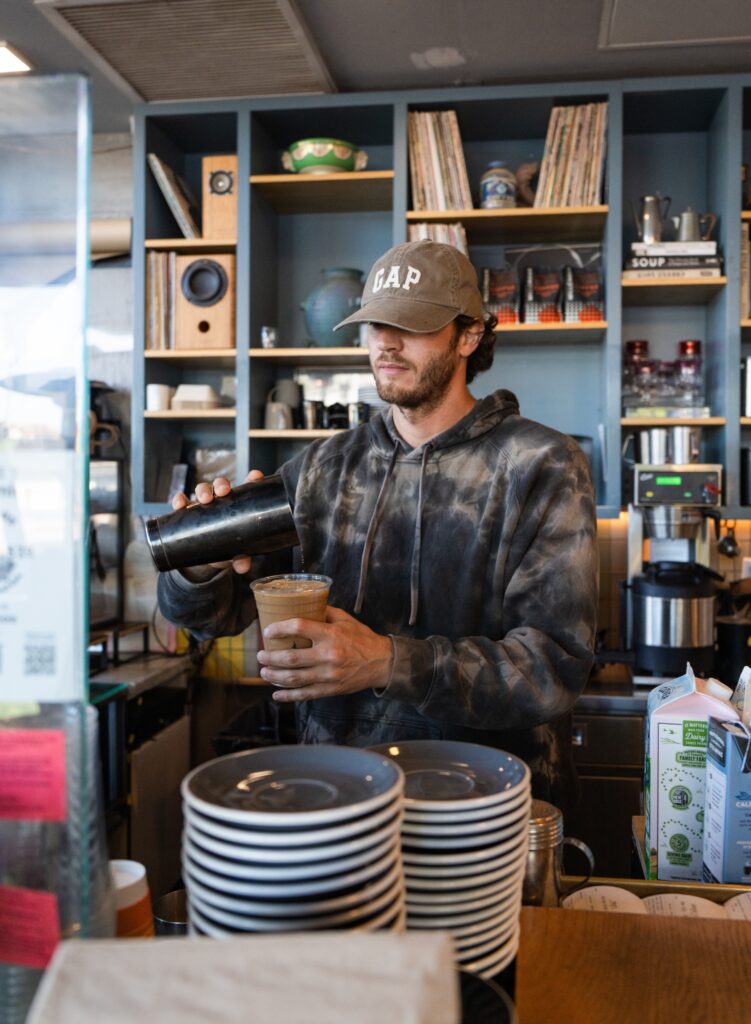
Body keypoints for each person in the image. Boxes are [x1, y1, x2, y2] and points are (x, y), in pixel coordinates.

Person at [157, 239, 598, 806]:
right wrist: (202, 566)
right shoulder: (320, 469)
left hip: (487, 803)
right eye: (374, 324)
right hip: (341, 798)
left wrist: (387, 662)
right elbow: (209, 618)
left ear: (469, 336)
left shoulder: (544, 465)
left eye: (411, 325)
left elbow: (551, 670)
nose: (385, 343)